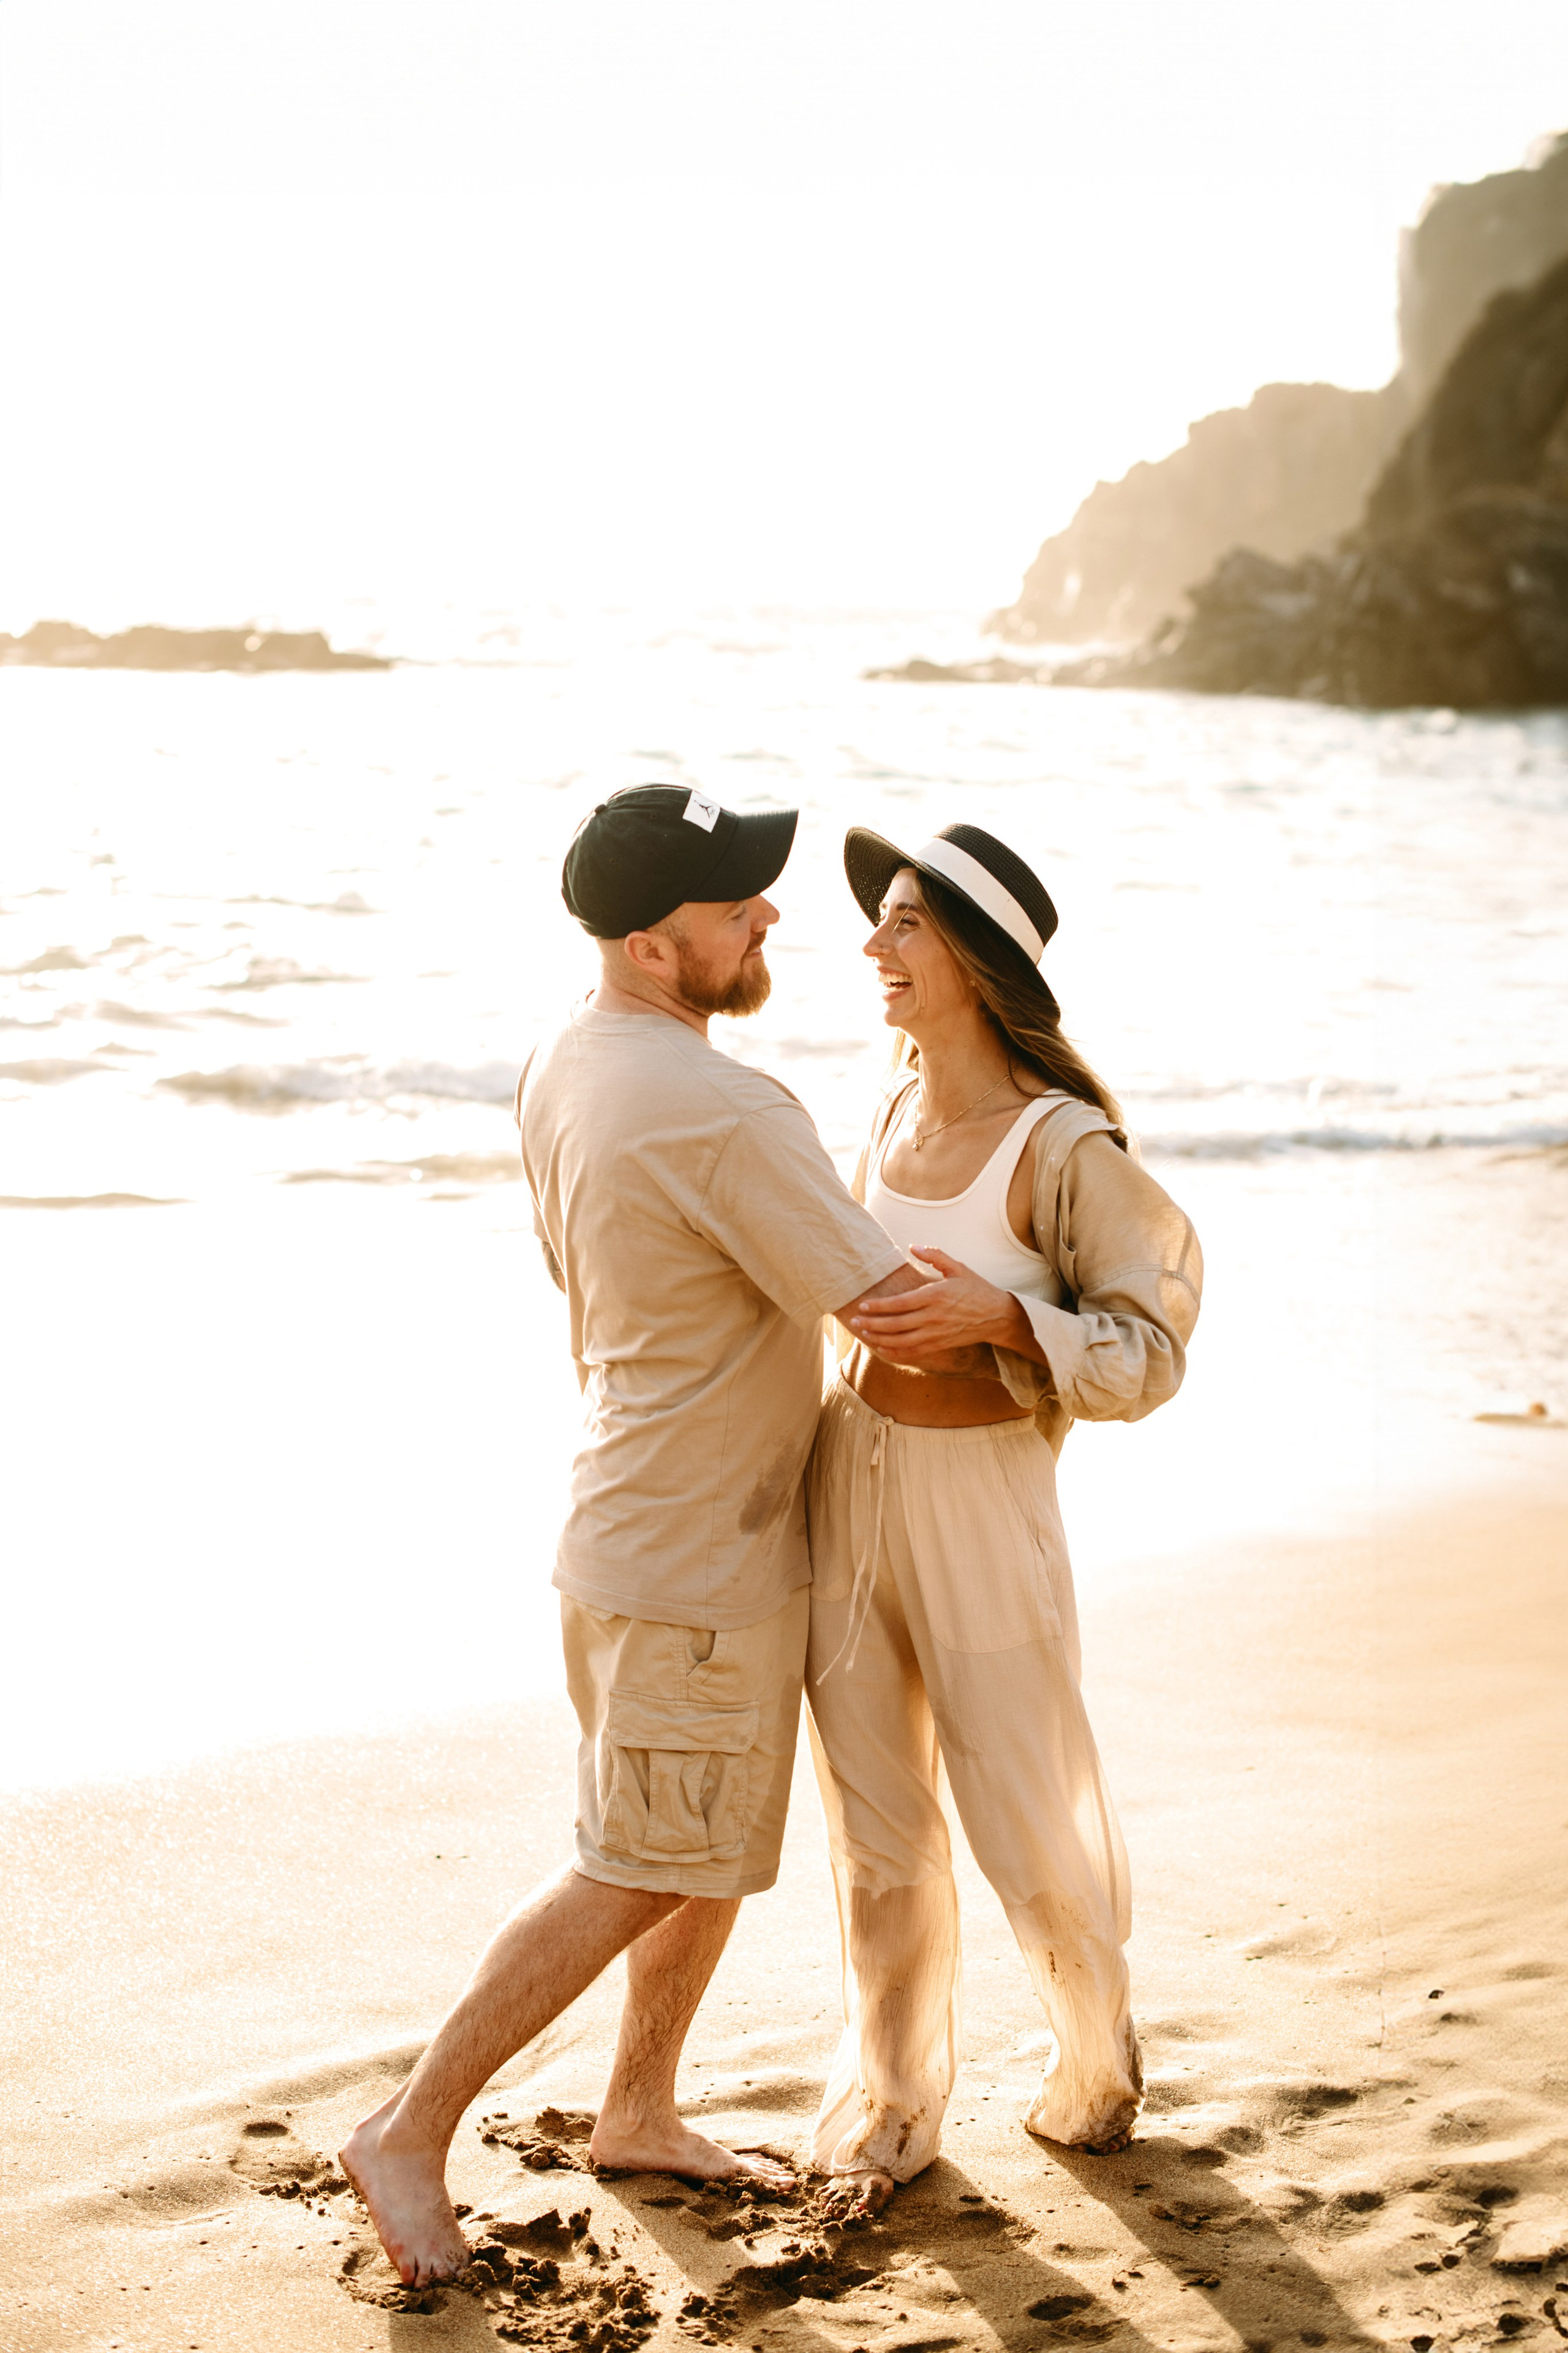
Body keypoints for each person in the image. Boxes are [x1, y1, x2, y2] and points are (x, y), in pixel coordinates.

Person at [341, 785, 922, 2287]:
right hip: (690, 1557)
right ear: (653, 948)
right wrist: (1082, 1330)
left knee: (698, 1845)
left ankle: (639, 2107)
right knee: (635, 1862)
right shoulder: (726, 1107)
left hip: (640, 1520)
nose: (770, 915)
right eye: (736, 905)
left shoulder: (567, 1056)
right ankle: (407, 2128)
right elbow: (890, 1308)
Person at [803, 820, 1202, 2214]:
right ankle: (894, 2099)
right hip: (845, 1474)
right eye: (881, 921)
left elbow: (1149, 1347)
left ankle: (1095, 2061)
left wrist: (1007, 1319)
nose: (874, 944)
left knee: (1025, 1807)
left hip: (980, 1497)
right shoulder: (886, 1108)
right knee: (873, 1818)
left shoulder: (1060, 1143)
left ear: (975, 961)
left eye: (906, 922)